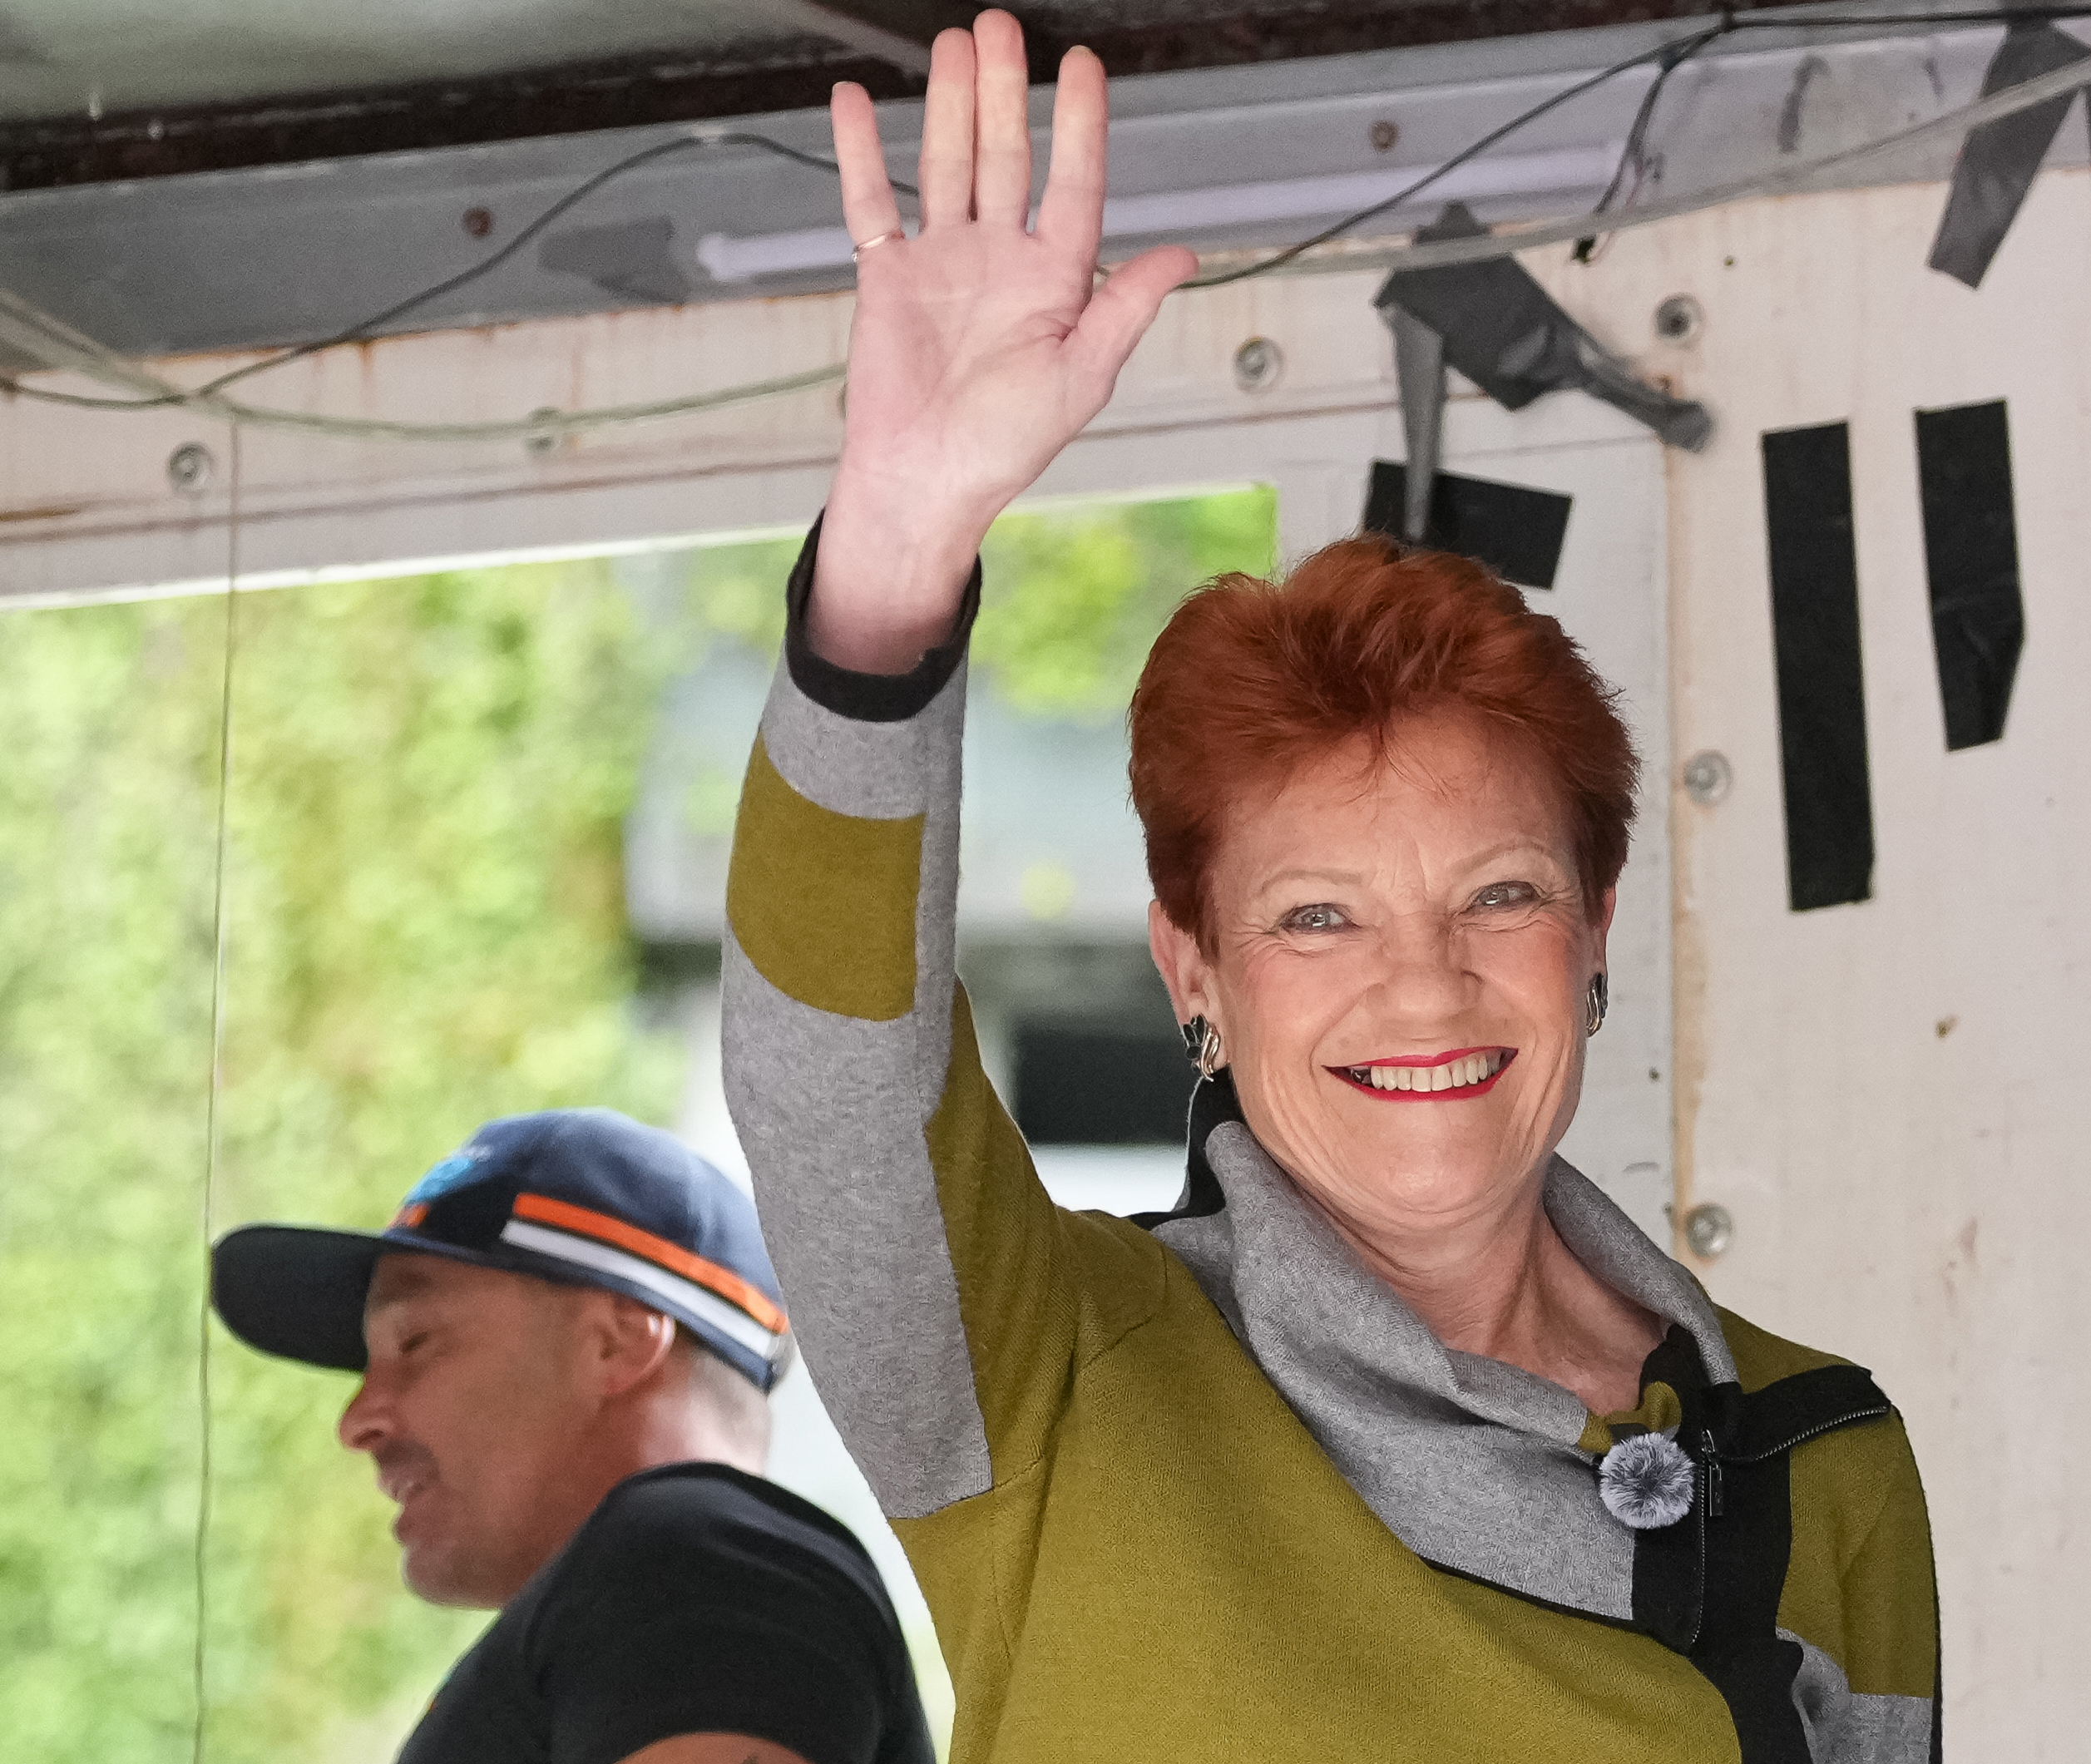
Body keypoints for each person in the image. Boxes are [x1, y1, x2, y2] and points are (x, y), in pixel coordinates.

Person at [723, 12, 1939, 1759]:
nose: (1425, 985)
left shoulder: (1823, 1455)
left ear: (1596, 926)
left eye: (1499, 897)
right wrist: (895, 557)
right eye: (1316, 917)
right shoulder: (1045, 1372)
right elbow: (831, 1074)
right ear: (1190, 967)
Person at [209, 1107, 932, 1764]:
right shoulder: (664, 1590)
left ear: (615, 1343)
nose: (358, 1418)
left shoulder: (695, 1557)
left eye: (416, 1341)